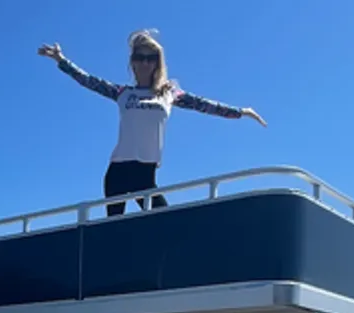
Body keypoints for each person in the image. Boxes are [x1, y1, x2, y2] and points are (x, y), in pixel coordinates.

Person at [39, 30, 265, 218]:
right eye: (139, 57)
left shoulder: (169, 93)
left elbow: (204, 105)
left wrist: (241, 112)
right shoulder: (122, 93)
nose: (145, 63)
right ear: (132, 62)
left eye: (151, 58)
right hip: (118, 170)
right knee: (114, 229)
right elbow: (88, 81)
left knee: (164, 221)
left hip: (145, 173)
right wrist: (61, 60)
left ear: (158, 62)